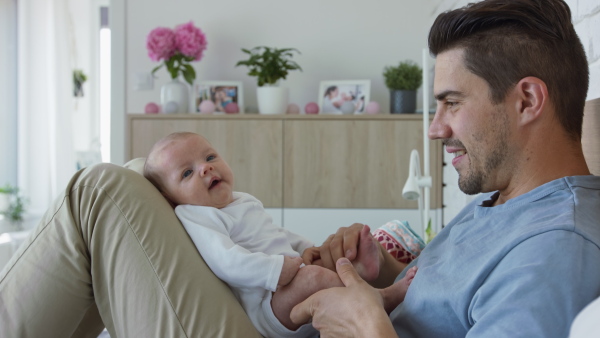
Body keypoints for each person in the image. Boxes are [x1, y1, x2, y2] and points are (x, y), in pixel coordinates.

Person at [291, 0, 600, 337]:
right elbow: (442, 305)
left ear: (526, 100)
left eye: (452, 103)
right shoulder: (505, 200)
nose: (435, 129)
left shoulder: (555, 252)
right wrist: (379, 270)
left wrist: (364, 328)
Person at [142, 131, 417, 337]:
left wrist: (308, 248)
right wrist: (276, 271)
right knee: (314, 277)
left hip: (285, 279)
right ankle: (378, 296)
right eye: (188, 173)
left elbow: (275, 233)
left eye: (210, 157)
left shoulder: (240, 201)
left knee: (328, 263)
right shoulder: (195, 215)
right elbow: (226, 260)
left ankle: (363, 271)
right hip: (265, 306)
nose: (206, 167)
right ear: (170, 199)